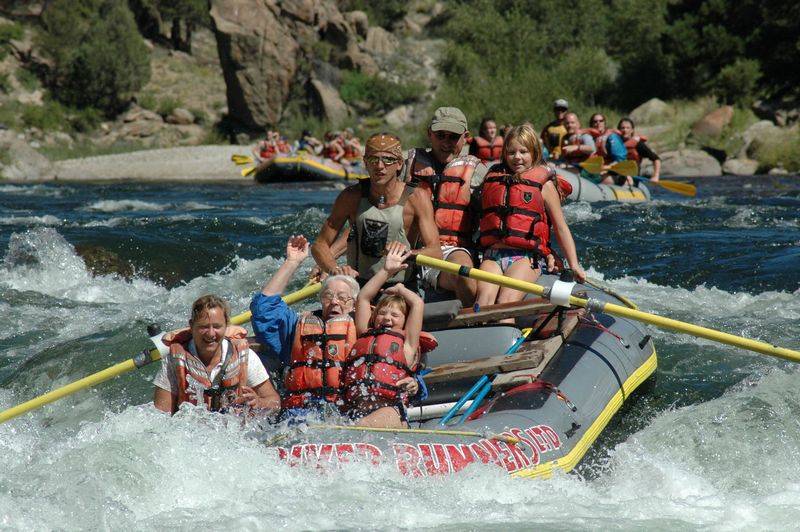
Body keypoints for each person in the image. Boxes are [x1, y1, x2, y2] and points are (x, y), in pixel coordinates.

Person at [250, 235, 369, 410]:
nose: (334, 302)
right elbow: (264, 308)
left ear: (354, 305)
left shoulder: (364, 331)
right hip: (300, 413)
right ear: (321, 300)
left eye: (342, 298)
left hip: (346, 413)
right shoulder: (298, 328)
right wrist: (292, 261)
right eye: (328, 296)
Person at [475, 125, 586, 310]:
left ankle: (506, 334)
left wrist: (574, 265)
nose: (517, 157)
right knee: (482, 302)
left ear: (534, 152)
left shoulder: (545, 185)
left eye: (523, 151)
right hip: (492, 256)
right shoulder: (494, 177)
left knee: (506, 302)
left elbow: (560, 227)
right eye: (511, 152)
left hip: (525, 258)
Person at [312, 133, 441, 287]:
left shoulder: (417, 197)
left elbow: (436, 252)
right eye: (373, 159)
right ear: (365, 163)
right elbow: (319, 245)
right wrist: (334, 270)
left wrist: (406, 254)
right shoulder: (350, 196)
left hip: (399, 289)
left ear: (399, 164)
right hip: (357, 286)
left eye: (388, 160)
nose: (380, 166)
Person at [405, 107, 488, 305]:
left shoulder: (477, 173)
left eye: (453, 137)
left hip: (451, 251)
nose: (446, 143)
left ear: (466, 137)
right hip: (407, 250)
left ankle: (470, 326)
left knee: (465, 276)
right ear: (429, 134)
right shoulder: (405, 165)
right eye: (440, 135)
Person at [342, 242, 425, 428]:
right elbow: (363, 296)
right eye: (382, 313)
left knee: (360, 425)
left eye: (395, 315)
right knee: (354, 422)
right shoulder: (364, 333)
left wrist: (400, 289)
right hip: (356, 409)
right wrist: (386, 271)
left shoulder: (408, 344)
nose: (387, 318)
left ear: (404, 321)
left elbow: (418, 304)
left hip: (390, 412)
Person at [153, 294, 281, 415]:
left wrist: (259, 402)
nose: (211, 333)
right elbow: (161, 416)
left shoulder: (245, 356)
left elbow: (275, 402)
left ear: (226, 326)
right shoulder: (175, 360)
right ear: (191, 326)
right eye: (204, 327)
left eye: (217, 326)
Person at [588, 113, 630, 185]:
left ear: (604, 123)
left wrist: (606, 168)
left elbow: (621, 160)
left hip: (615, 172)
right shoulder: (589, 138)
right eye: (595, 121)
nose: (598, 123)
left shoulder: (612, 137)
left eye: (601, 121)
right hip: (598, 171)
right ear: (591, 124)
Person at [618, 117, 661, 183]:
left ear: (632, 130)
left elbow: (656, 159)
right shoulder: (613, 144)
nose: (625, 130)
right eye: (622, 128)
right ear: (619, 130)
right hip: (617, 174)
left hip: (632, 177)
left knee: (626, 178)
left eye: (627, 128)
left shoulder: (638, 144)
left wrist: (656, 176)